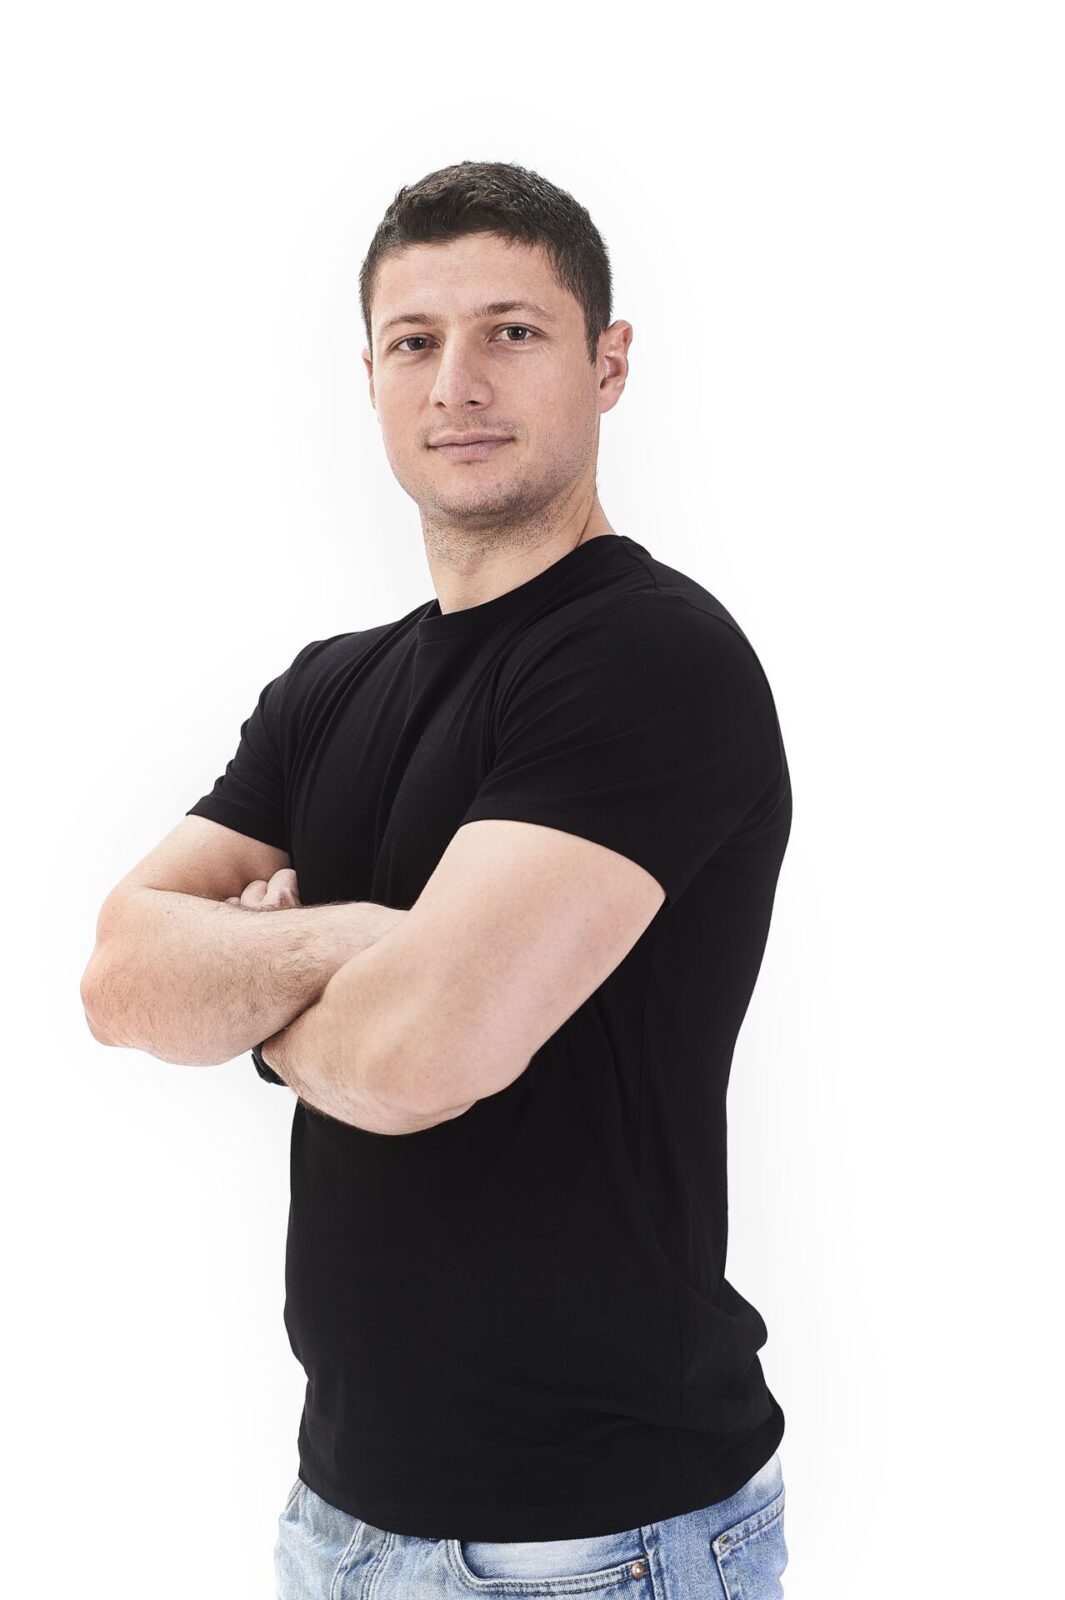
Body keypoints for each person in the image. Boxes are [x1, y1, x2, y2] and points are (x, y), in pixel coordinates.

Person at [80, 159, 792, 1598]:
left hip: (592, 1542)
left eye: (511, 331)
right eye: (415, 340)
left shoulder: (648, 658)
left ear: (607, 364)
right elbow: (120, 980)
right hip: (338, 1517)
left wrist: (261, 995)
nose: (456, 381)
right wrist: (372, 944)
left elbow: (423, 1055)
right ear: (371, 379)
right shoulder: (327, 689)